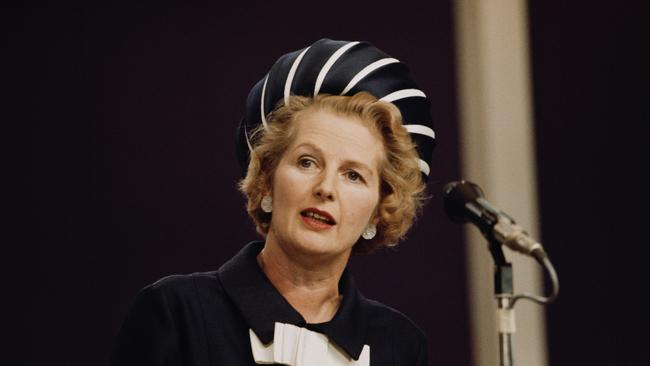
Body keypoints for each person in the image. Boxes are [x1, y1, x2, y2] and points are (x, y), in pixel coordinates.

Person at [111, 38, 436, 366]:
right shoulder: (177, 313)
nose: (325, 188)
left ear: (377, 213)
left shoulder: (400, 346)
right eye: (307, 162)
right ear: (267, 180)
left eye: (353, 175)